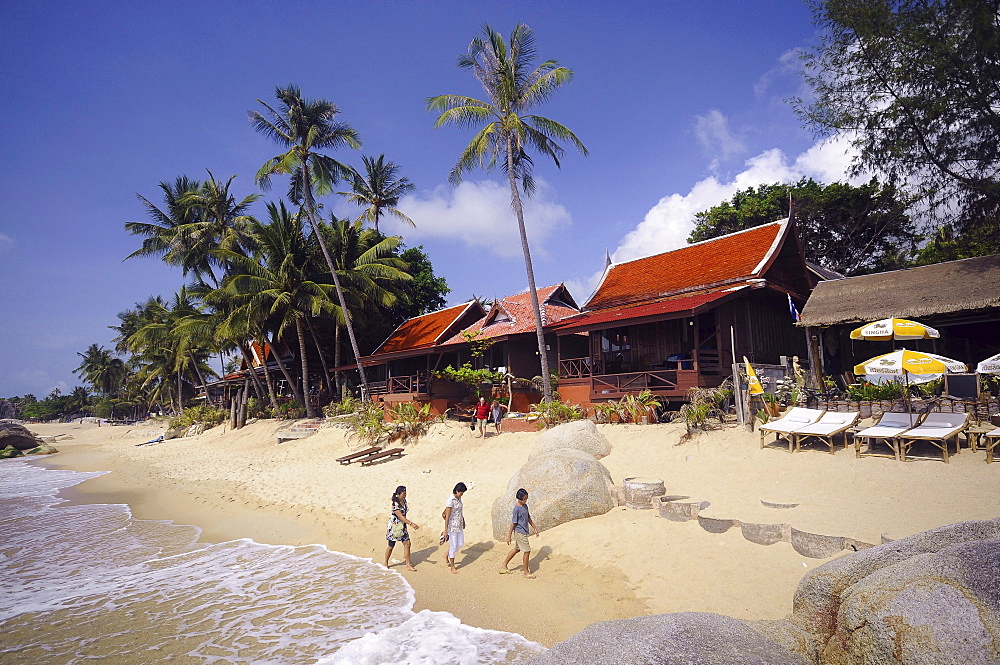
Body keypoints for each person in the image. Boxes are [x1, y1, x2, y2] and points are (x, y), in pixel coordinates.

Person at [499, 487, 540, 578]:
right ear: (519, 498)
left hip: (524, 532)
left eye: (526, 498)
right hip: (519, 532)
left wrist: (535, 528)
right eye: (524, 499)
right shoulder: (516, 509)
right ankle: (526, 572)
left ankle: (504, 565)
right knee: (527, 550)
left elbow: (528, 518)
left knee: (517, 549)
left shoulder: (525, 506)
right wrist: (509, 536)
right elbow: (513, 523)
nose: (525, 500)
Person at [384, 485, 420, 571]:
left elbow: (404, 515)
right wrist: (411, 524)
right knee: (391, 546)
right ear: (398, 494)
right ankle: (385, 563)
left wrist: (406, 524)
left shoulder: (404, 501)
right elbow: (400, 517)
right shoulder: (395, 504)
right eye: (403, 494)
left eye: (405, 494)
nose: (405, 496)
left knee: (407, 544)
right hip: (394, 527)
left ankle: (408, 565)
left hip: (403, 526)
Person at [440, 482, 468, 574]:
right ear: (456, 491)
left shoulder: (459, 498)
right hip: (452, 526)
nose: (462, 494)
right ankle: (452, 566)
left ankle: (446, 554)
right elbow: (447, 516)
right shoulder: (450, 500)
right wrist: (445, 530)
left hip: (459, 524)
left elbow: (460, 511)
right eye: (461, 493)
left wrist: (463, 521)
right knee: (453, 545)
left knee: (460, 543)